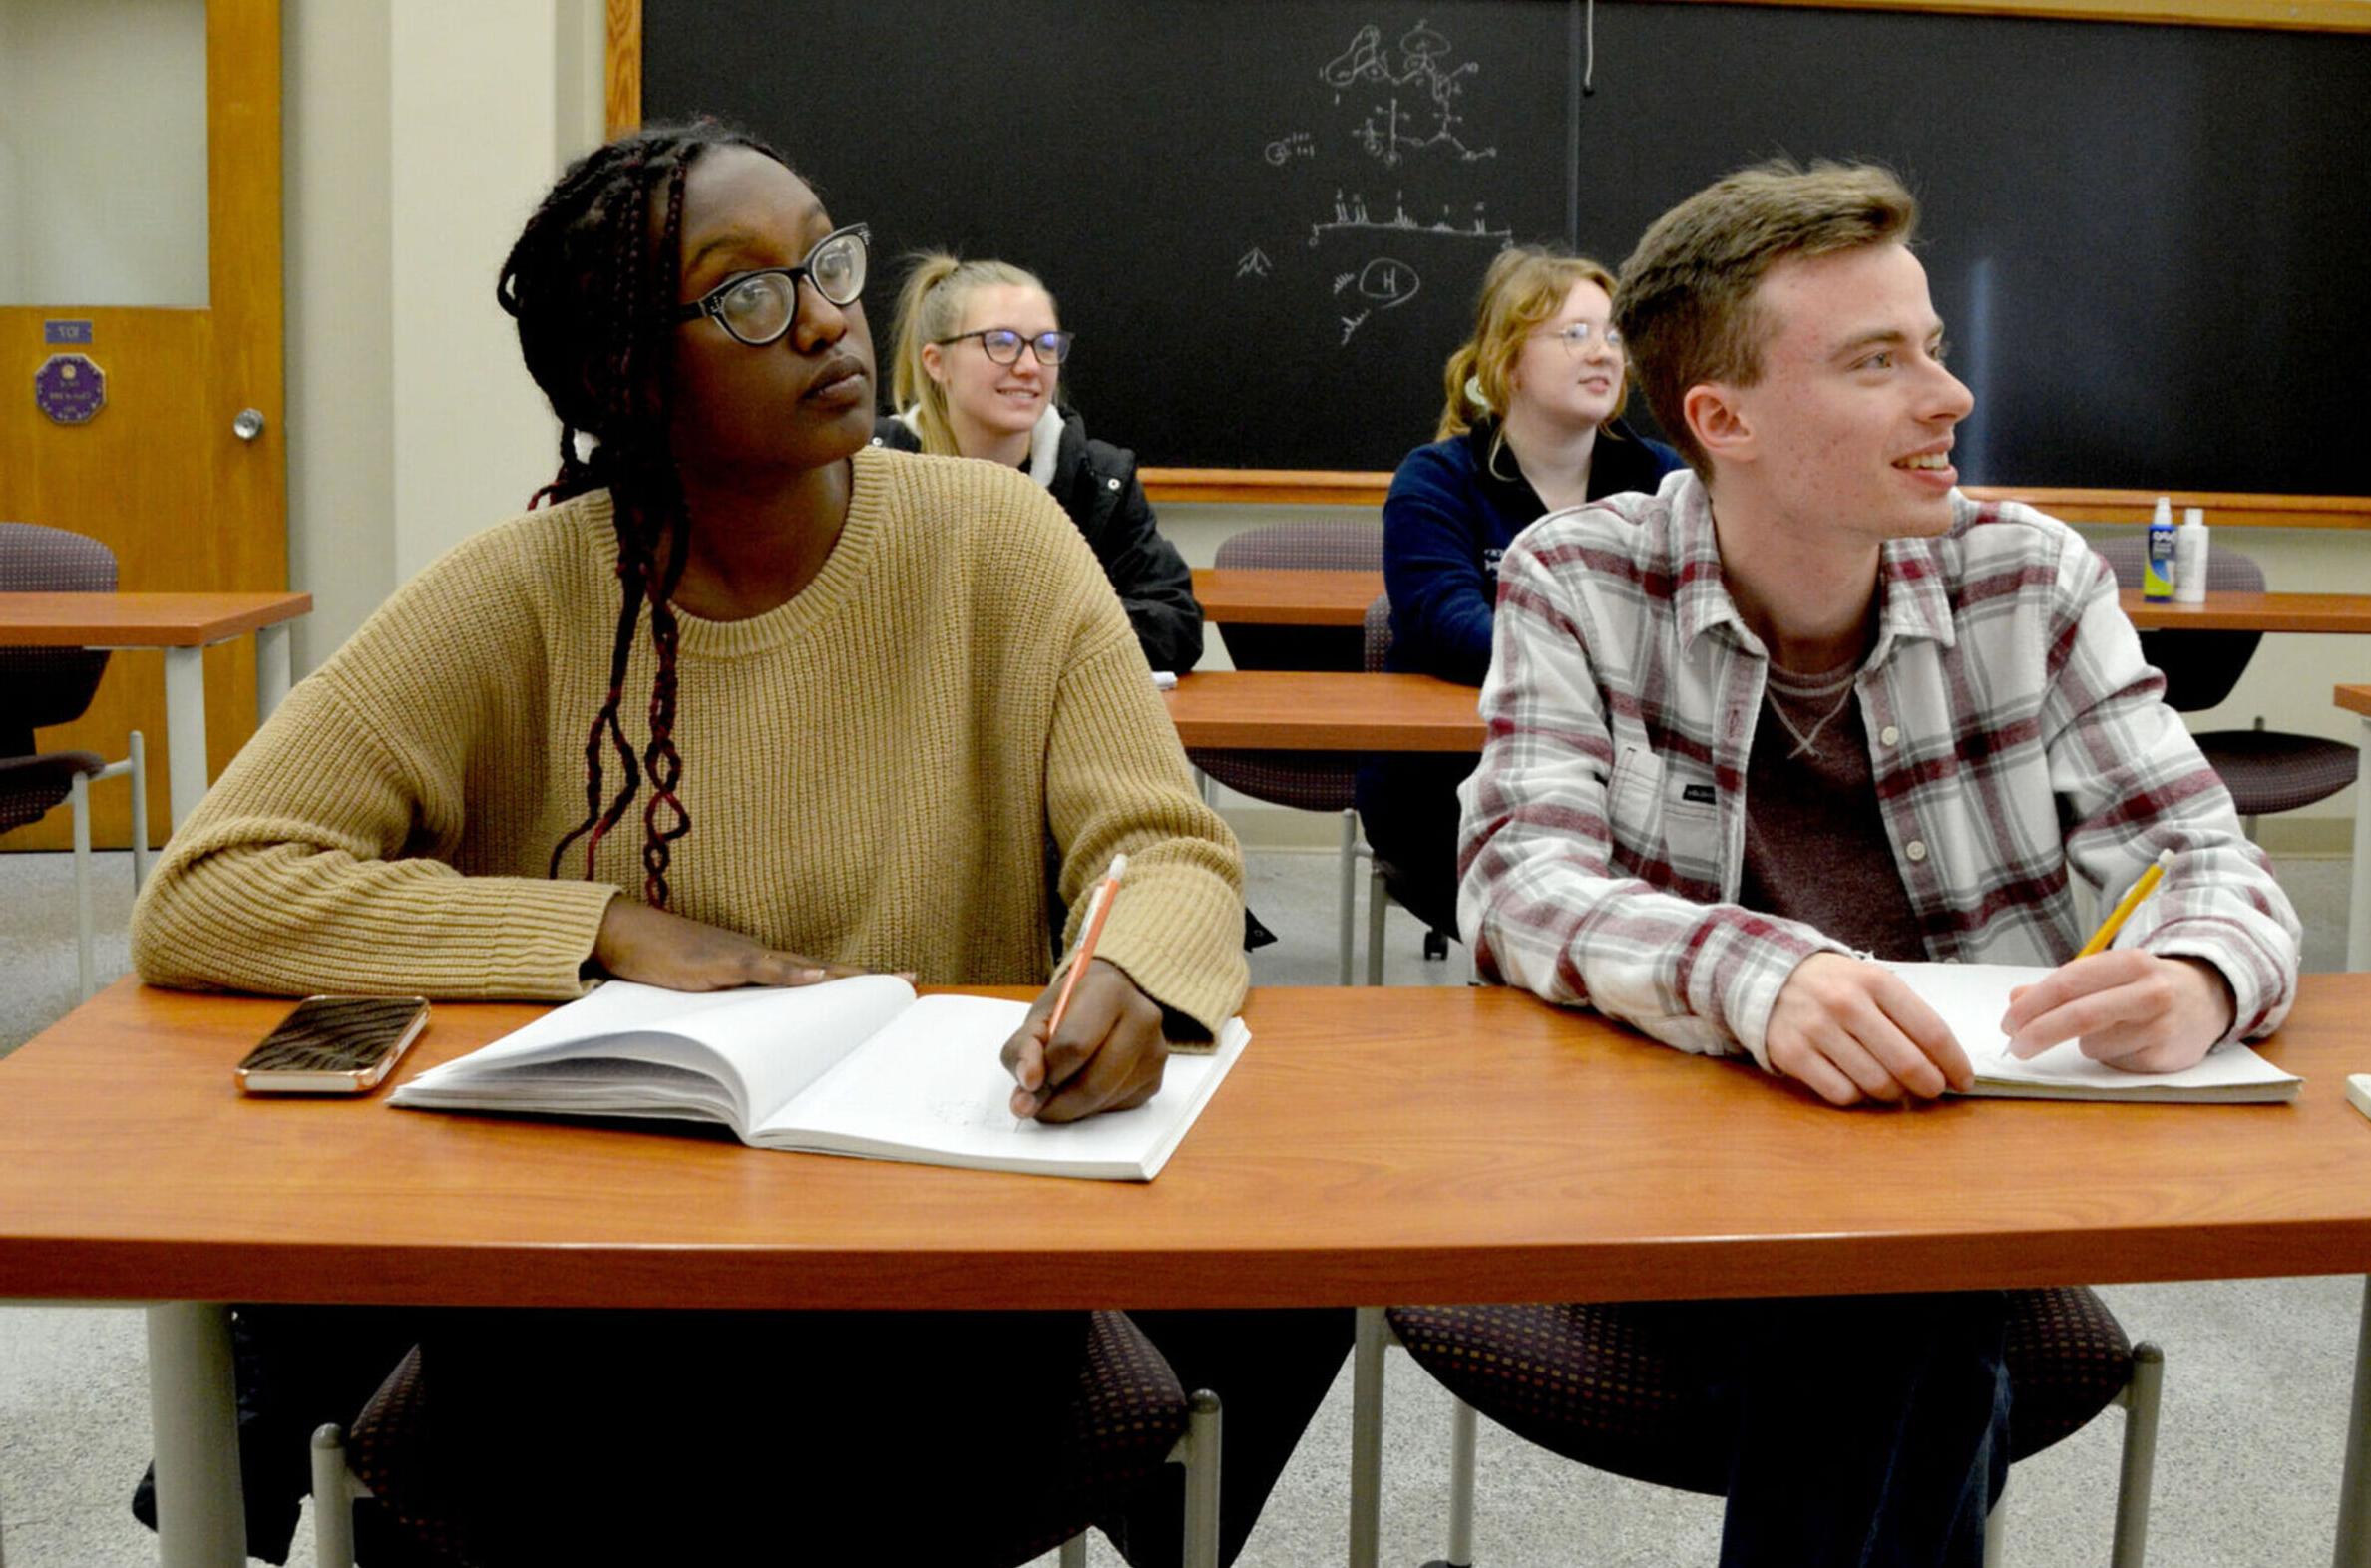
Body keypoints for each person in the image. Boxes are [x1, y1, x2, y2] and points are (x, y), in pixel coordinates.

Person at [127, 122, 1345, 1567]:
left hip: (934, 1276)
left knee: (1279, 1285)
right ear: (622, 376)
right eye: (747, 294)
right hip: (586, 1298)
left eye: (824, 261)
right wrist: (594, 931)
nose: (829, 314)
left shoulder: (995, 543)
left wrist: (1131, 971)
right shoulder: (518, 593)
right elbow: (209, 888)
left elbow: (1165, 846)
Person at [1457, 160, 2300, 1565]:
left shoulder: (2026, 577)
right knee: (1903, 1331)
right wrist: (1762, 978)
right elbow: (1514, 877)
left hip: (1963, 1166)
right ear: (1718, 420)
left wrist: (2200, 973)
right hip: (1688, 1161)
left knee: (1890, 1312)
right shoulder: (1575, 577)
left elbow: (2205, 856)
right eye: (1875, 363)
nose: (1947, 398)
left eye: (1934, 349)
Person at [1354, 246, 1681, 940]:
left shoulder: (1661, 478)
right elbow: (1446, 622)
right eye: (1575, 334)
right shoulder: (1438, 478)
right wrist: (1600, 668)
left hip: (1623, 774)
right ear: (1508, 362)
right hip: (1451, 782)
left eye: (1614, 335)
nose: (1603, 352)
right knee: (1558, 916)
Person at [872, 252, 1202, 674]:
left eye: (1047, 345)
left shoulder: (1099, 480)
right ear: (936, 362)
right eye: (1002, 343)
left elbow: (1176, 626)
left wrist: (1032, 623)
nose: (1030, 367)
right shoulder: (868, 475)